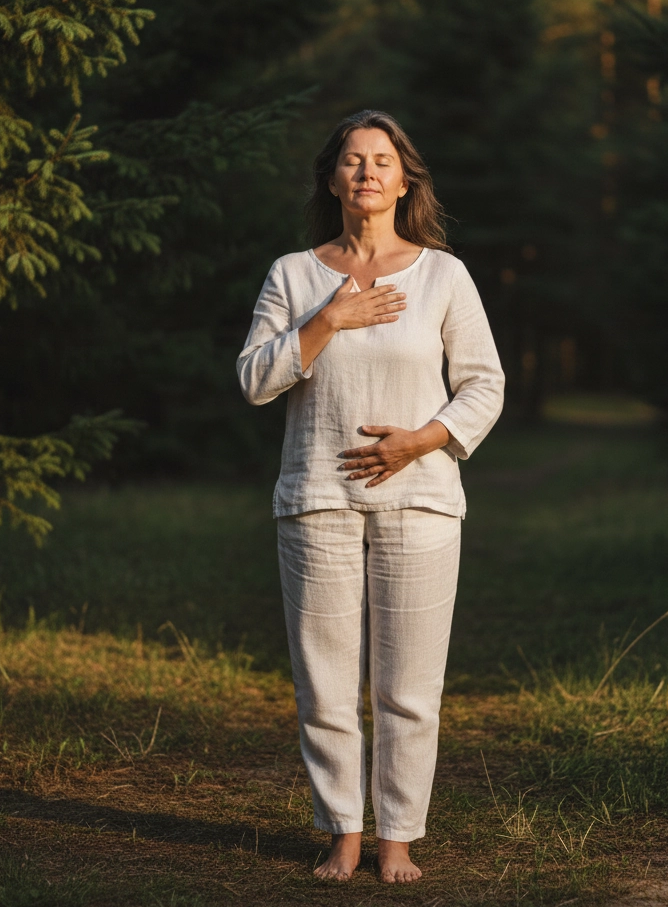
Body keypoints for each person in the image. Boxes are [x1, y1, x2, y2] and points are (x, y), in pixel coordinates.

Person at [237, 110, 505, 883]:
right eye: (352, 161)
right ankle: (343, 831)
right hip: (316, 495)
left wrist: (419, 440)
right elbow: (255, 378)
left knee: (409, 682)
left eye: (381, 161)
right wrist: (330, 318)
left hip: (420, 497)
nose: (366, 173)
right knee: (323, 678)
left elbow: (484, 385)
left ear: (404, 179)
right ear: (332, 180)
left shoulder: (443, 275)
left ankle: (398, 837)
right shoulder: (293, 274)